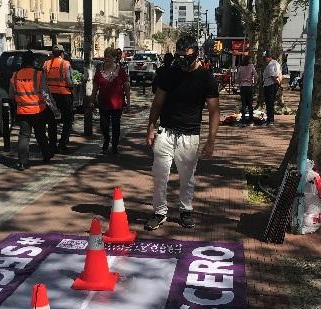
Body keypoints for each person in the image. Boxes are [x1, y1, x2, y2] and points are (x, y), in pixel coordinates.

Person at [144, 36, 220, 230]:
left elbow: (214, 112)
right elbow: (158, 103)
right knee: (160, 174)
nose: (183, 62)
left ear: (195, 54)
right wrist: (151, 127)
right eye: (179, 57)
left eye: (186, 57)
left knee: (187, 177)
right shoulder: (169, 74)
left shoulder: (206, 78)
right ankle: (160, 212)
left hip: (190, 136)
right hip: (166, 133)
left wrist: (211, 141)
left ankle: (186, 210)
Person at [10, 50, 57, 171]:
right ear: (32, 61)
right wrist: (54, 108)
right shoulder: (38, 74)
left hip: (22, 111)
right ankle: (46, 155)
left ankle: (22, 162)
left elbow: (11, 95)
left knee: (24, 136)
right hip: (37, 111)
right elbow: (45, 94)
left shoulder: (15, 75)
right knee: (40, 134)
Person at [92, 47, 131, 154]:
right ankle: (106, 139)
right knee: (103, 125)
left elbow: (127, 87)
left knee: (115, 125)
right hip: (103, 103)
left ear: (114, 58)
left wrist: (128, 103)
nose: (107, 58)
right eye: (105, 56)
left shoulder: (121, 70)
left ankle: (114, 145)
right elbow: (95, 86)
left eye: (109, 56)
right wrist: (92, 99)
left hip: (117, 104)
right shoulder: (99, 70)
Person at [42, 44, 74, 154]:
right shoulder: (65, 64)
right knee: (68, 120)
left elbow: (43, 79)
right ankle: (62, 144)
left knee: (52, 121)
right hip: (64, 94)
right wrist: (73, 86)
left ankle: (52, 145)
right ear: (62, 53)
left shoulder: (46, 64)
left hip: (50, 96)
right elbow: (69, 81)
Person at [262, 50, 282, 126]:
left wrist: (278, 83)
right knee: (269, 103)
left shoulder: (271, 65)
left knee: (269, 103)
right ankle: (270, 119)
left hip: (270, 85)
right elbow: (280, 74)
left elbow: (273, 76)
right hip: (270, 84)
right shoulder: (276, 63)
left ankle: (270, 120)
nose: (265, 59)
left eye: (266, 57)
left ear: (269, 57)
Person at [235, 56, 257, 124]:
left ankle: (243, 119)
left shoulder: (240, 67)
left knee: (244, 104)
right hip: (249, 86)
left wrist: (239, 84)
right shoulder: (251, 66)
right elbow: (255, 75)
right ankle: (251, 120)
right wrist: (254, 83)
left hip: (243, 87)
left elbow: (237, 78)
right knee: (250, 104)